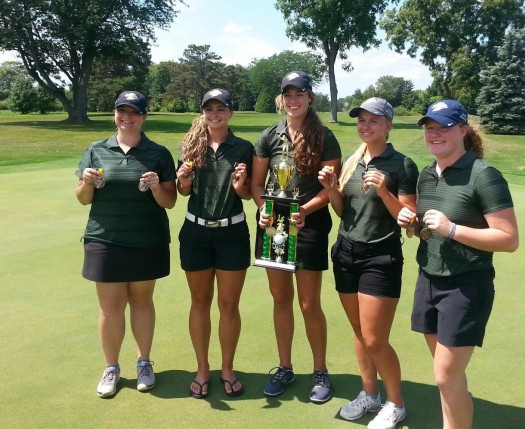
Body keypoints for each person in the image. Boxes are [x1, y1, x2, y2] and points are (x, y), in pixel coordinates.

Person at [396, 100, 519, 429]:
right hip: (428, 280)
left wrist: (453, 229)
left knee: (445, 376)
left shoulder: (484, 176)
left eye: (444, 127)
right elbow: (424, 230)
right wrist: (410, 222)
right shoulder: (426, 175)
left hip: (466, 286)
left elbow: (509, 239)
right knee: (446, 378)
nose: (434, 134)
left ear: (463, 130)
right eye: (429, 128)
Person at [318, 98, 418, 429]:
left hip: (381, 256)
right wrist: (332, 189)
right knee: (360, 333)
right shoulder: (352, 160)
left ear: (388, 125)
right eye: (362, 120)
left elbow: (408, 220)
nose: (366, 126)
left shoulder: (402, 165)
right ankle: (369, 393)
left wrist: (385, 191)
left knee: (375, 337)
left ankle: (396, 403)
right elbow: (344, 212)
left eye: (374, 120)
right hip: (346, 252)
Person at [75, 91, 177, 398]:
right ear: (115, 114)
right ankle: (111, 368)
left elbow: (169, 202)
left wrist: (157, 186)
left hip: (146, 239)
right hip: (104, 239)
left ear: (144, 116)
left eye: (134, 112)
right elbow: (82, 198)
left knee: (142, 302)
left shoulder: (158, 153)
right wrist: (87, 182)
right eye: (122, 111)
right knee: (110, 308)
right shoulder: (96, 150)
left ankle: (144, 363)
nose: (127, 117)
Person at [251, 71, 342, 403]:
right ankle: (285, 367)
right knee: (280, 299)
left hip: (310, 224)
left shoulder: (324, 136)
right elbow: (257, 184)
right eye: (287, 95)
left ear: (309, 98)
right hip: (275, 221)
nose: (293, 100)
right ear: (282, 99)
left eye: (299, 94)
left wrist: (307, 209)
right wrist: (263, 208)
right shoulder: (269, 136)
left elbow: (330, 186)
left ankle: (320, 371)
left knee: (308, 303)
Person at [176, 88, 254, 399]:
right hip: (196, 233)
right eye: (210, 109)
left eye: (221, 108)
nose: (215, 114)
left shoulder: (244, 147)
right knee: (199, 302)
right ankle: (202, 368)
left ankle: (227, 368)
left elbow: (248, 194)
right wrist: (183, 180)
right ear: (203, 112)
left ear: (230, 113)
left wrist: (240, 186)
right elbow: (183, 192)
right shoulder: (190, 146)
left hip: (231, 234)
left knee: (228, 305)